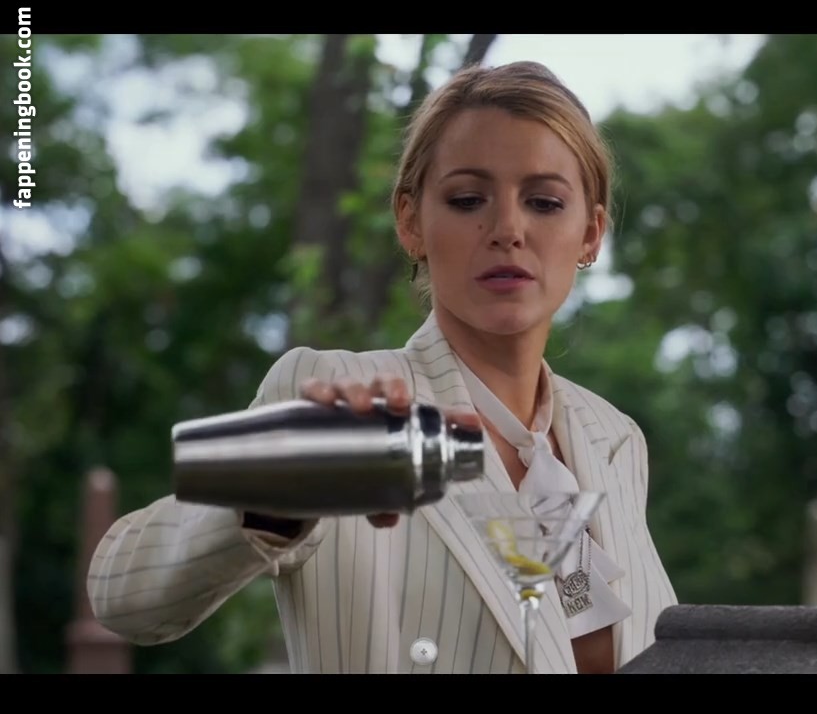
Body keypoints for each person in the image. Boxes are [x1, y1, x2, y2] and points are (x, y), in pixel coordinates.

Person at [86, 60, 679, 674]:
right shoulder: (335, 395)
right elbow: (121, 596)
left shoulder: (614, 439)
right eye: (467, 199)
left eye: (545, 202)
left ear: (591, 234)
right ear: (410, 221)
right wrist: (275, 489)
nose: (507, 229)